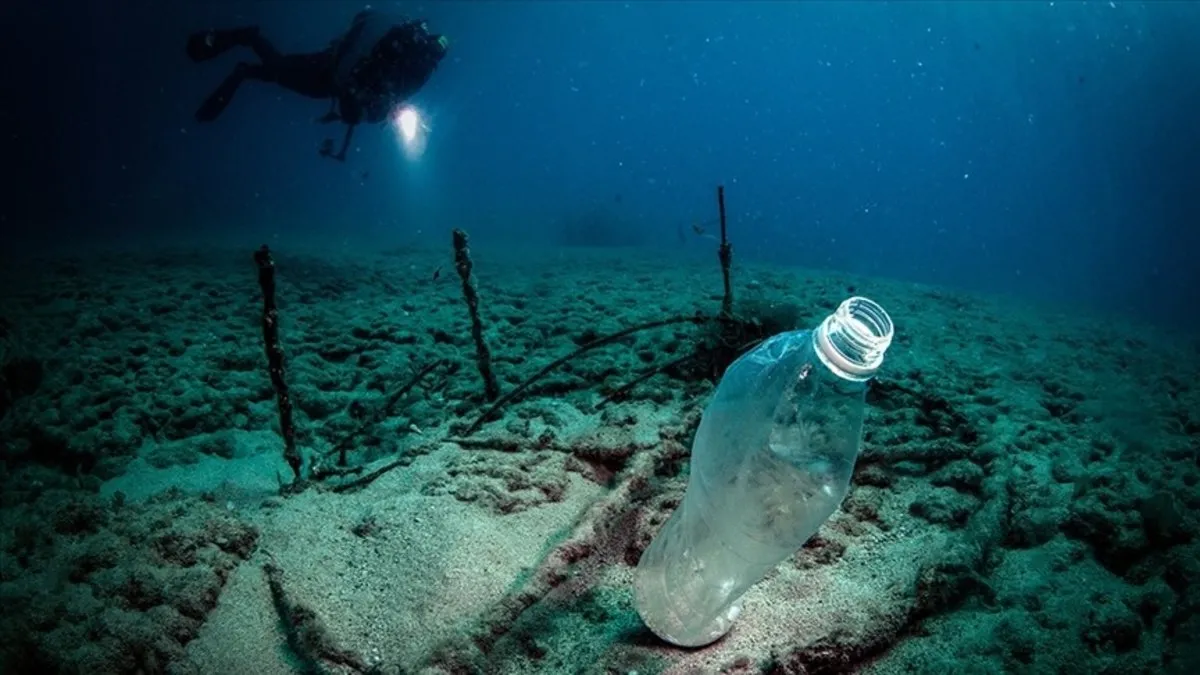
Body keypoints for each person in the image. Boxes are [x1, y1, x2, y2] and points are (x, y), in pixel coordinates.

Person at [186, 9, 449, 161]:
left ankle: (246, 66)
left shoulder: (411, 65)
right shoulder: (414, 69)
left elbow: (384, 101)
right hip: (330, 72)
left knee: (282, 73)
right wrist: (361, 106)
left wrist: (360, 104)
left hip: (331, 76)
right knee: (280, 69)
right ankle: (248, 40)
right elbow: (383, 101)